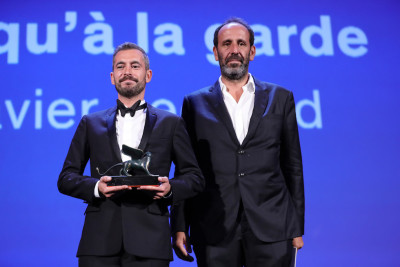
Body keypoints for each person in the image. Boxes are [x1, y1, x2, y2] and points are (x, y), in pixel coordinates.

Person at [171, 17, 305, 267]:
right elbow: (185, 169)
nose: (234, 50)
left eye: (241, 43)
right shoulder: (194, 103)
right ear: (215, 52)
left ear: (251, 51)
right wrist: (179, 224)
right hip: (213, 226)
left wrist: (297, 226)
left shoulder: (281, 98)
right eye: (227, 44)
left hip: (274, 226)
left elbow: (292, 166)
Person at [58, 42, 204, 267]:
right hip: (98, 242)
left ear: (148, 74)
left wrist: (170, 189)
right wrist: (97, 188)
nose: (127, 72)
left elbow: (194, 177)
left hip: (151, 242)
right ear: (112, 76)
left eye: (134, 66)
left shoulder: (171, 123)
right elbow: (66, 178)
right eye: (120, 66)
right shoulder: (90, 123)